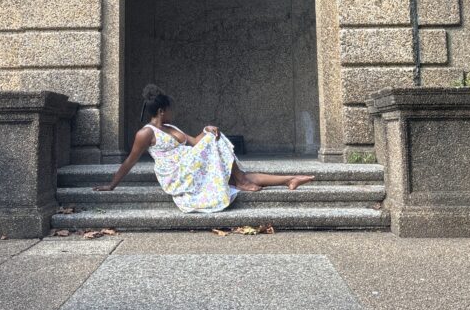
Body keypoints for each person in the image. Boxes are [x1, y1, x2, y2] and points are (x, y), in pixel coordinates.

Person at [93, 83, 315, 213]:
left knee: (213, 136)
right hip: (176, 173)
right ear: (161, 110)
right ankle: (240, 180)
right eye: (170, 109)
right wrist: (112, 185)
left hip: (192, 164)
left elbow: (195, 142)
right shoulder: (146, 133)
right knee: (215, 143)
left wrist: (206, 129)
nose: (173, 112)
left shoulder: (170, 126)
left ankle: (289, 179)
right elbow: (130, 160)